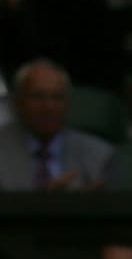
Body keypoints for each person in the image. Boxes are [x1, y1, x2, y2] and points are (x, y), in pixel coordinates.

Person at [0, 58, 114, 189]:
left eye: (57, 97)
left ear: (68, 104)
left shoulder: (99, 156)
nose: (48, 107)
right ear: (18, 102)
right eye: (38, 96)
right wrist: (46, 203)